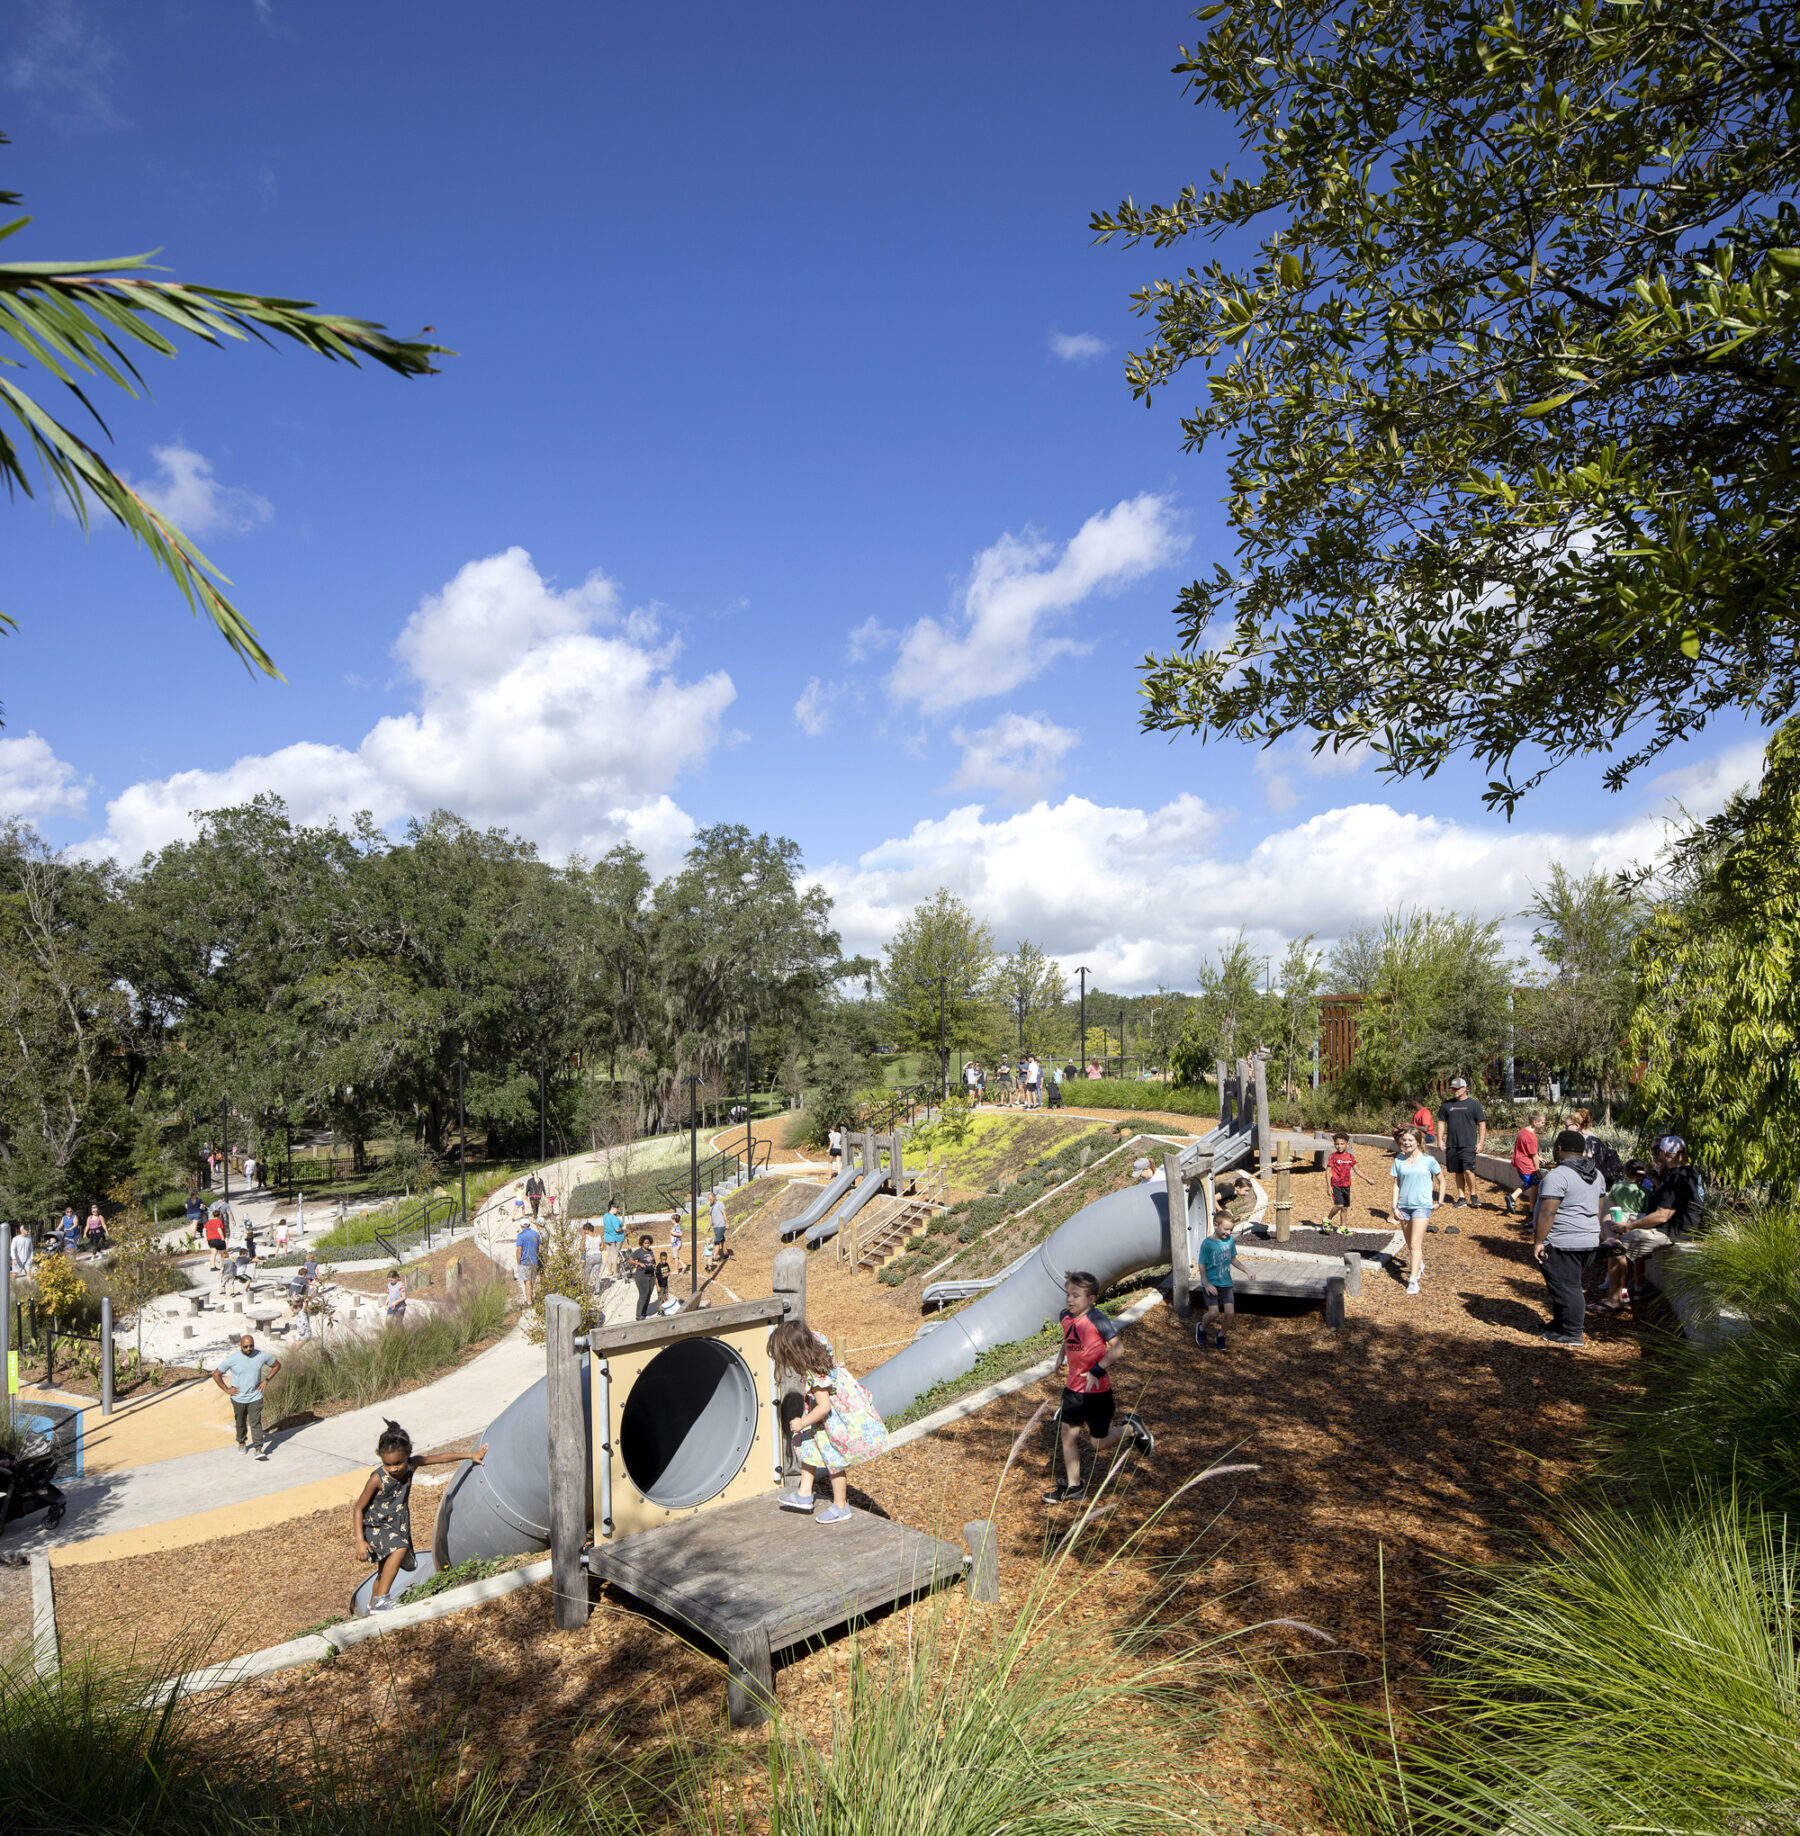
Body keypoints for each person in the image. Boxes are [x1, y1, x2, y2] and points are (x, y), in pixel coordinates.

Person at [1043, 1270, 1153, 1504]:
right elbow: (1069, 1337)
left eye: (1076, 1296)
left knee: (1098, 1443)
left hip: (1097, 1393)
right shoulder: (1066, 1315)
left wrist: (1097, 1369)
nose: (1070, 1300)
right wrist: (1061, 1355)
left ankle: (1131, 1429)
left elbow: (1118, 1347)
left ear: (1091, 1299)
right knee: (1067, 1435)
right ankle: (1075, 1487)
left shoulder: (1097, 1319)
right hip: (1073, 1390)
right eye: (1068, 1295)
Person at [353, 1421, 486, 1611]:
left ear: (407, 1455)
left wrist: (470, 1455)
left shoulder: (411, 1465)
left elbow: (440, 1457)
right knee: (399, 1548)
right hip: (376, 1525)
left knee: (384, 1570)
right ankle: (381, 1600)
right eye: (387, 1464)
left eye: (398, 1463)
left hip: (397, 1524)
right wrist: (359, 1540)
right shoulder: (377, 1478)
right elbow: (358, 1508)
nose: (394, 1468)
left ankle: (371, 1609)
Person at [768, 1319, 889, 1523]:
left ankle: (841, 1507)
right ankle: (804, 1493)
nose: (784, 1363)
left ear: (794, 1353)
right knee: (809, 1444)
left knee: (833, 1458)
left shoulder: (815, 1376)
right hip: (834, 1405)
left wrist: (802, 1422)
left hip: (833, 1416)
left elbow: (824, 1407)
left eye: (784, 1358)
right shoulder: (816, 1341)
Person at [1532, 1128, 1608, 1346]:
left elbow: (1548, 1211)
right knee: (1565, 1283)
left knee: (1568, 1287)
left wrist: (1539, 1241)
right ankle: (1560, 1324)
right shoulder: (1597, 1174)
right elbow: (1598, 1208)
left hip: (1563, 1242)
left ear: (1559, 1149)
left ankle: (1573, 1333)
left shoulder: (1558, 1176)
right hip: (1589, 1240)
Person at [1389, 1128, 1443, 1296]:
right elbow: (1397, 1184)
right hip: (1403, 1206)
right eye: (1404, 1140)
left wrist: (1439, 1201)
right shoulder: (1399, 1160)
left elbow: (1442, 1180)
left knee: (1415, 1243)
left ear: (1418, 1142)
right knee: (1409, 1243)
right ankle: (1418, 1263)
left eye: (1410, 1140)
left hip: (1422, 1206)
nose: (1406, 1143)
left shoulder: (1429, 1161)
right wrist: (1394, 1207)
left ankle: (1413, 1280)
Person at [211, 1331, 281, 1460]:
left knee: (255, 1423)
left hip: (255, 1396)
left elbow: (276, 1365)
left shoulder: (261, 1355)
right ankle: (242, 1442)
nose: (249, 1349)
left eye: (251, 1346)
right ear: (240, 1346)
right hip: (238, 1398)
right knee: (240, 1422)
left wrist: (266, 1380)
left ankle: (258, 1449)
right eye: (245, 1347)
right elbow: (216, 1374)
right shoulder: (232, 1359)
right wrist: (227, 1389)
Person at [1435, 1077, 1489, 1207]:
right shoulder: (1447, 1105)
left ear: (1465, 1088)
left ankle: (1473, 1195)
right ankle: (1461, 1197)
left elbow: (1482, 1124)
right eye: (1453, 1089)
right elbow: (1441, 1123)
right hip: (1452, 1144)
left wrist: (1480, 1142)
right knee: (1458, 1171)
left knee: (1468, 1170)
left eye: (1457, 1088)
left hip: (1468, 1144)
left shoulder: (1474, 1105)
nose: (1454, 1091)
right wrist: (1440, 1140)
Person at [1196, 1204, 1238, 1350]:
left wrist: (1246, 1270)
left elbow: (1233, 1258)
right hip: (1211, 1283)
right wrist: (1206, 1283)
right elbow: (1201, 1265)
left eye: (1231, 1229)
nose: (1228, 1232)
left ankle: (1221, 1336)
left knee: (1230, 1312)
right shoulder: (1207, 1244)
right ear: (1216, 1225)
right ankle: (1202, 1328)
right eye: (1226, 1229)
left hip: (1226, 1283)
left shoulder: (1230, 1241)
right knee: (1213, 1313)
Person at [1326, 1132, 1372, 1233]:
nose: (1339, 1146)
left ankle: (1343, 1227)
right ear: (1334, 1144)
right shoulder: (1333, 1156)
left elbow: (1357, 1170)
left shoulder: (1350, 1157)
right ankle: (1327, 1219)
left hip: (1346, 1185)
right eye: (1337, 1144)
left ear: (1347, 1144)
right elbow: (1328, 1171)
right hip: (1336, 1185)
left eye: (1342, 1144)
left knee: (1345, 1208)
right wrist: (1329, 1186)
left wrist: (1367, 1179)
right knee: (1339, 1205)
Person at [1505, 1110, 1545, 1216]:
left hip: (1519, 1160)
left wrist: (1538, 1156)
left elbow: (1528, 1150)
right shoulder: (1532, 1137)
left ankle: (1513, 1197)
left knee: (1530, 1183)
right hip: (1525, 1164)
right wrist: (1537, 1171)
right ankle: (1531, 1209)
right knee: (1535, 1183)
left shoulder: (1523, 1131)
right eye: (1542, 1122)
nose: (1543, 1124)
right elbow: (1533, 1156)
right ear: (1535, 1123)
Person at [622, 1233, 658, 1320]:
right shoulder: (638, 1252)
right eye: (645, 1243)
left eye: (648, 1243)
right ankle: (639, 1315)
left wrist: (653, 1265)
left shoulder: (650, 1251)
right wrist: (639, 1263)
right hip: (642, 1276)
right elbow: (630, 1260)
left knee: (649, 1294)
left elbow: (653, 1261)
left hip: (651, 1275)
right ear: (642, 1243)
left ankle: (644, 1313)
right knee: (643, 1295)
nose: (647, 1245)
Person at [514, 1216, 542, 1306]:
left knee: (527, 1282)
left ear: (521, 1226)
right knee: (532, 1281)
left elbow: (519, 1250)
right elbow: (540, 1247)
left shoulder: (520, 1236)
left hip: (525, 1262)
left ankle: (529, 1302)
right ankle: (531, 1298)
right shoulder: (536, 1234)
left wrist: (518, 1262)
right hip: (534, 1261)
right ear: (529, 1225)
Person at [601, 1201, 626, 1278]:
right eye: (616, 1208)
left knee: (609, 1255)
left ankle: (609, 1271)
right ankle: (615, 1272)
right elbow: (617, 1229)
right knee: (615, 1256)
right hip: (614, 1239)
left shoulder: (605, 1216)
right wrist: (623, 1228)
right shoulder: (614, 1218)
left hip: (607, 1238)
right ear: (613, 1208)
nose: (617, 1210)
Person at [582, 1217, 607, 1289]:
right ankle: (597, 1289)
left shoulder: (585, 1237)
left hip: (590, 1255)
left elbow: (581, 1247)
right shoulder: (598, 1236)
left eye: (584, 1230)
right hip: (598, 1255)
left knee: (587, 1273)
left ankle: (585, 1288)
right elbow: (603, 1246)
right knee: (596, 1274)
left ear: (587, 1230)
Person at [709, 1190, 728, 1265]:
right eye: (709, 1199)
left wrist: (726, 1223)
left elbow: (724, 1213)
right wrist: (709, 1225)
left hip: (721, 1225)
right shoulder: (710, 1206)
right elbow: (710, 1216)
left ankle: (714, 1257)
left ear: (714, 1198)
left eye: (711, 1199)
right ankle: (726, 1254)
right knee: (722, 1240)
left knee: (716, 1241)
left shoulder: (720, 1204)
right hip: (715, 1226)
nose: (710, 1200)